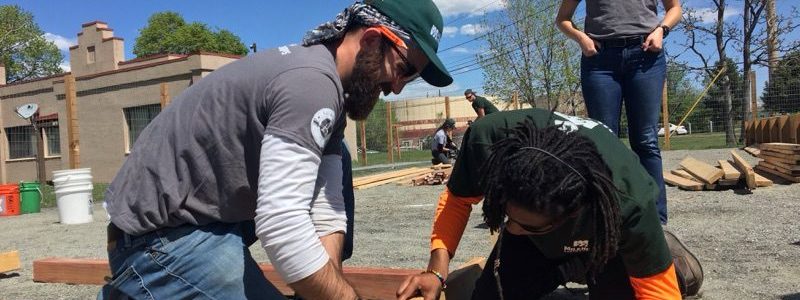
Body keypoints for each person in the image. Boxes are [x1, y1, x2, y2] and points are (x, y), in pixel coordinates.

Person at [99, 1, 452, 299]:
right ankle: (139, 284)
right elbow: (282, 224)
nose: (397, 88)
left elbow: (326, 209)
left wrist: (326, 289)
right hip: (153, 241)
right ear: (373, 38)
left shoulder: (327, 90)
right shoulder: (310, 84)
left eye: (411, 77)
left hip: (204, 220)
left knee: (338, 158)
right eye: (403, 69)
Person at [397, 109, 701, 300]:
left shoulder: (628, 202)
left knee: (636, 284)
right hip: (557, 236)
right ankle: (568, 263)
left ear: (572, 213)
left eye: (526, 224)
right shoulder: (488, 141)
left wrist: (649, 272)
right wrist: (436, 271)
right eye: (507, 215)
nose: (510, 228)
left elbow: (658, 294)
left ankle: (659, 253)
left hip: (606, 243)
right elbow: (457, 201)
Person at [555, 0, 681, 224]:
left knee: (645, 140)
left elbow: (675, 8)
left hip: (646, 55)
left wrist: (662, 30)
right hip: (600, 60)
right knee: (603, 141)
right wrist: (581, 38)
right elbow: (562, 19)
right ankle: (606, 216)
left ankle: (654, 219)